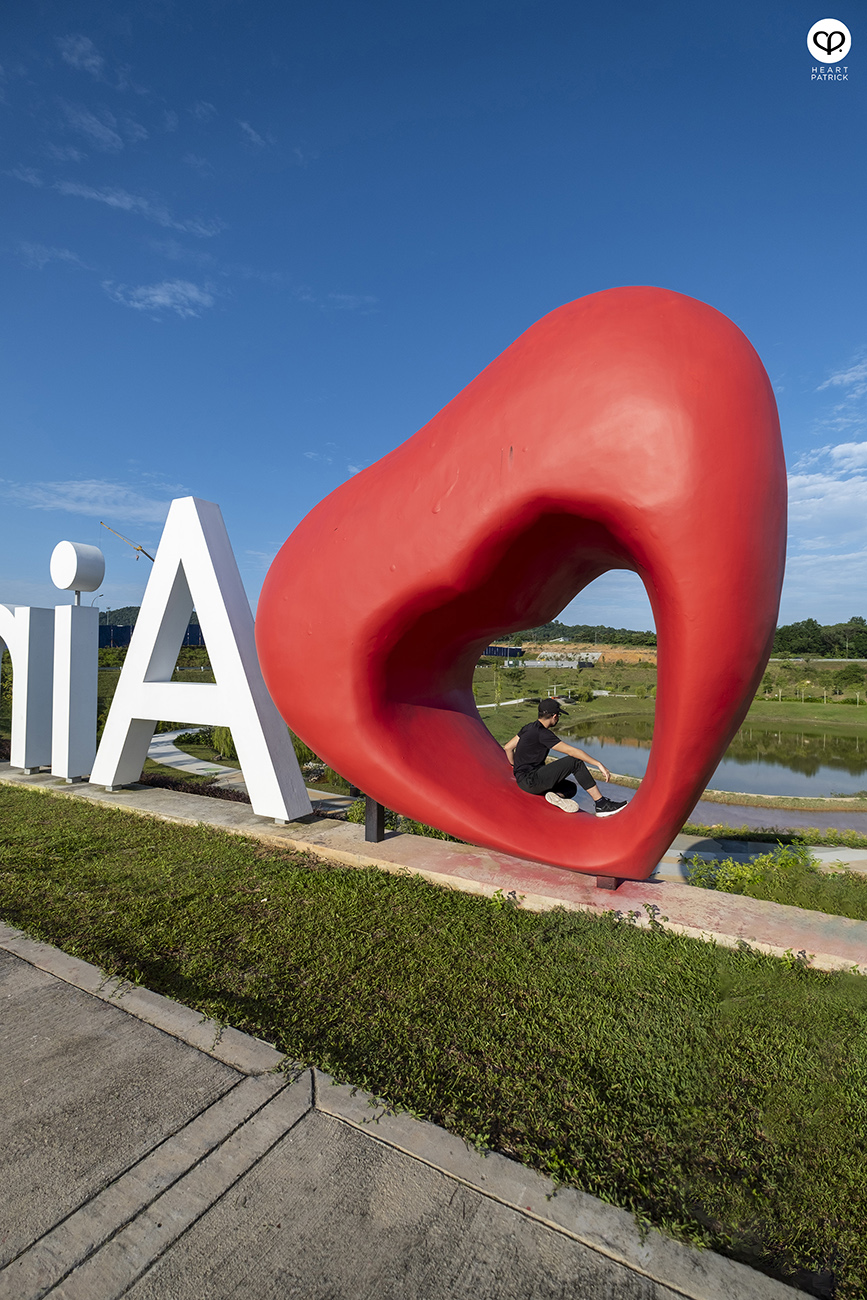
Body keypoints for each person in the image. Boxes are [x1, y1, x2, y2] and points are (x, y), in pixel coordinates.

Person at [503, 699, 627, 816]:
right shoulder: (543, 734)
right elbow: (572, 751)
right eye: (558, 716)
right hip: (532, 781)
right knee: (575, 761)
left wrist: (516, 766)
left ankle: (555, 797)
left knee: (570, 787)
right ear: (554, 716)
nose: (558, 719)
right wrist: (598, 764)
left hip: (524, 780)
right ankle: (601, 804)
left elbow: (508, 747)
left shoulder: (528, 727)